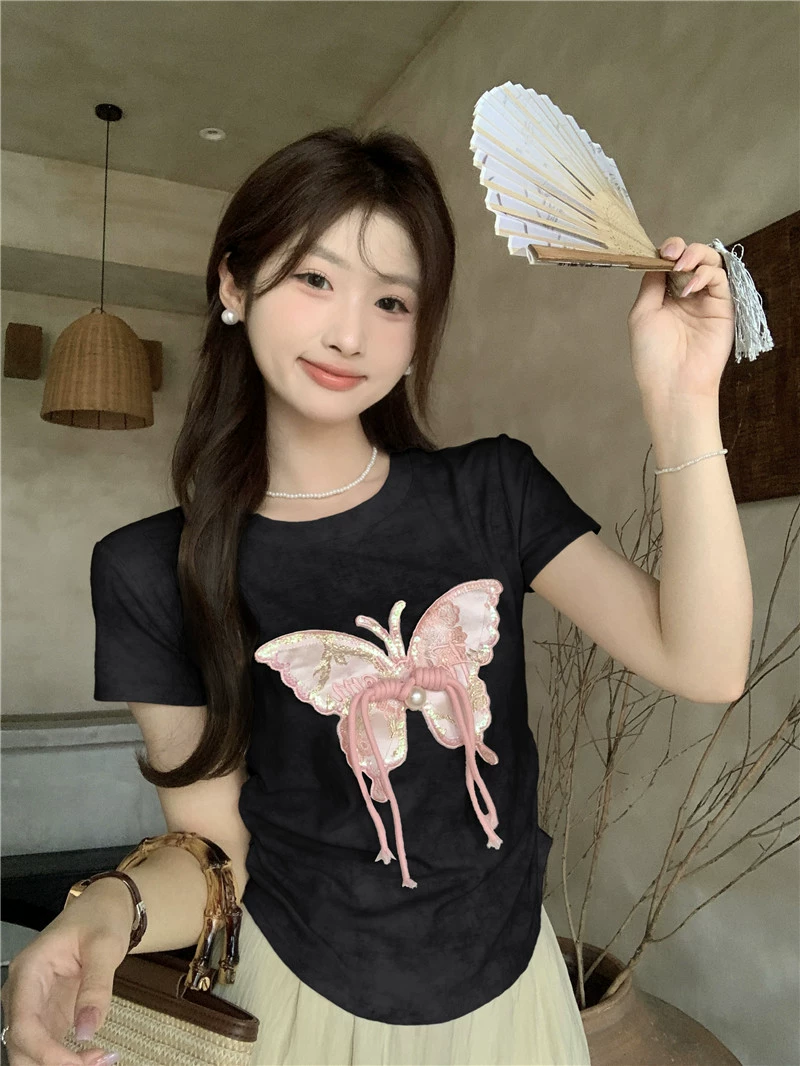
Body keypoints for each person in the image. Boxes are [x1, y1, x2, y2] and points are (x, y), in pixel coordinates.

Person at [0, 126, 737, 1066]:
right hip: (303, 1004)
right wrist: (110, 906)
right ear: (234, 285)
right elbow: (218, 852)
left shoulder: (492, 493)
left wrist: (683, 396)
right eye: (314, 278)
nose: (350, 333)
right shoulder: (151, 568)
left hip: (513, 998)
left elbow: (706, 663)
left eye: (391, 300)